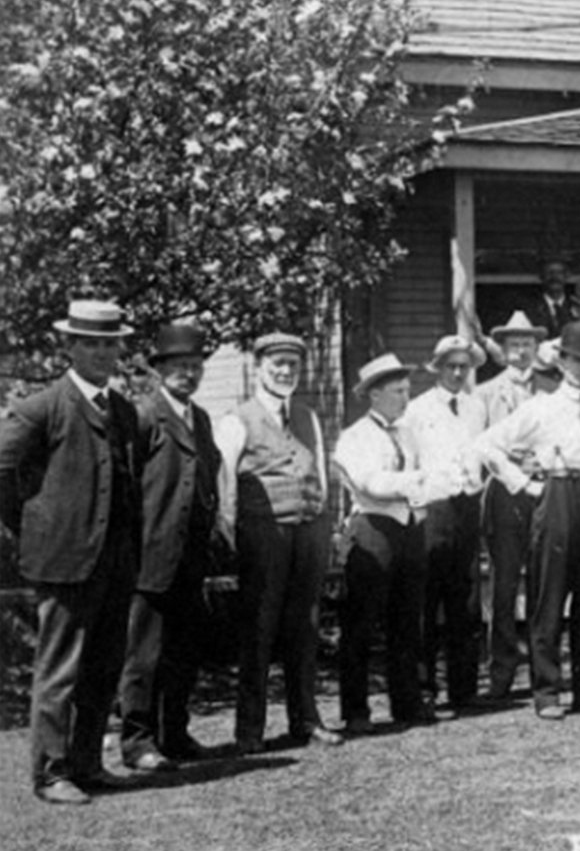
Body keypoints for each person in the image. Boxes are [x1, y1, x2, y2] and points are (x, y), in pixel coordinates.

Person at [0, 301, 144, 804]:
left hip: (115, 561)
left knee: (103, 668)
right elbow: (3, 472)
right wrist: (33, 526)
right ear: (70, 347)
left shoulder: (123, 410)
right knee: (60, 668)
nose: (103, 353)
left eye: (110, 344)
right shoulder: (41, 407)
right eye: (91, 343)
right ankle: (51, 773)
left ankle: (87, 763)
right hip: (63, 560)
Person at [475, 321, 580, 721]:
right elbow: (489, 445)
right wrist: (525, 486)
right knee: (549, 597)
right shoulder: (541, 407)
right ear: (561, 362)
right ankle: (546, 693)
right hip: (555, 493)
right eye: (576, 360)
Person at [217, 332, 341, 753]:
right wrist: (233, 538)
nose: (286, 372)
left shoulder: (307, 416)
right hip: (263, 535)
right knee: (259, 629)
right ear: (259, 367)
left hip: (308, 531)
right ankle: (249, 730)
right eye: (277, 364)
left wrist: (323, 521)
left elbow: (319, 473)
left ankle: (305, 720)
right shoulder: (237, 420)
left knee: (304, 626)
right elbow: (225, 485)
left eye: (293, 365)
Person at [118, 322, 225, 772]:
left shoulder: (200, 418)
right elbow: (125, 484)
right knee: (143, 653)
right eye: (179, 366)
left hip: (191, 555)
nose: (189, 373)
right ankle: (137, 741)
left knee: (183, 649)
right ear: (159, 369)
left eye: (195, 365)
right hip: (150, 553)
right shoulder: (143, 415)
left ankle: (174, 733)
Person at [331, 356, 434, 735]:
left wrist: (417, 483)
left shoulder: (409, 433)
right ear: (374, 394)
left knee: (407, 620)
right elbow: (371, 483)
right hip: (372, 531)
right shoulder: (354, 437)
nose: (406, 398)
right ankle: (356, 711)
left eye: (407, 391)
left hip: (410, 528)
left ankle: (407, 703)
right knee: (361, 623)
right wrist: (414, 480)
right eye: (397, 391)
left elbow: (430, 476)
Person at [400, 334, 490, 716]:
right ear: (437, 368)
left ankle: (463, 689)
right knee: (427, 601)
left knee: (465, 601)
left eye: (463, 367)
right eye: (450, 366)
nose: (457, 373)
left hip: (467, 507)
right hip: (432, 509)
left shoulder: (476, 408)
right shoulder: (417, 410)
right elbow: (408, 461)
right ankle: (424, 690)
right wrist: (417, 507)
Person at [474, 311, 546, 699]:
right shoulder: (486, 393)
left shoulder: (550, 390)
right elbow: (481, 445)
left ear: (536, 348)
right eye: (514, 345)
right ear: (502, 350)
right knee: (504, 585)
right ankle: (502, 669)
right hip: (504, 494)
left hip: (542, 492)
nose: (521, 352)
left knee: (542, 581)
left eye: (527, 344)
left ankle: (541, 669)